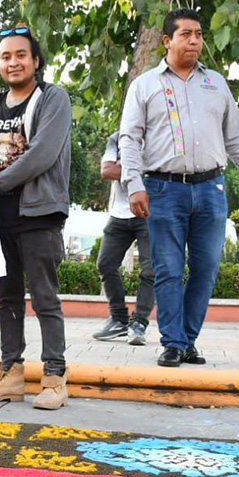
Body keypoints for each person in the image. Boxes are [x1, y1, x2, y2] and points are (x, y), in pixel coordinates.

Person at [120, 8, 239, 367]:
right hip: (162, 189)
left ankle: (187, 340)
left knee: (206, 269)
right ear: (166, 41)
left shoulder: (216, 83)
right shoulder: (144, 85)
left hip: (211, 190)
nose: (194, 40)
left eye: (199, 34)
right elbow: (130, 139)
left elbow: (235, 138)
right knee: (169, 269)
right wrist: (134, 185)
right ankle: (173, 342)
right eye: (186, 34)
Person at [0, 26, 73, 410]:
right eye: (6, 57)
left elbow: (41, 155)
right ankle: (10, 373)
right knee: (7, 296)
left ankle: (54, 377)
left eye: (21, 55)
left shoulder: (53, 99)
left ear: (36, 61)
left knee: (45, 297)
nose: (13, 62)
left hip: (39, 212)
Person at [92, 131, 154, 346]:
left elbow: (158, 173)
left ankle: (139, 323)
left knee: (149, 271)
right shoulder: (116, 138)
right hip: (119, 213)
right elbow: (107, 170)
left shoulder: (157, 135)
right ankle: (118, 319)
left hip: (148, 213)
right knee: (105, 264)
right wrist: (140, 170)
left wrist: (124, 167)